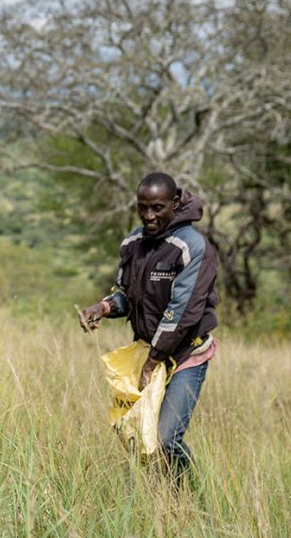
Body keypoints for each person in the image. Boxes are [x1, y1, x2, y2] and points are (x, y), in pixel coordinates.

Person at [81, 172, 218, 479]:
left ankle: (190, 498)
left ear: (175, 203)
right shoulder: (133, 243)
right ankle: (161, 501)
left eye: (157, 207)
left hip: (185, 355)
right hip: (148, 353)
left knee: (167, 439)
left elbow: (183, 313)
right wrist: (103, 307)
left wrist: (153, 360)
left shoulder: (193, 247)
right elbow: (127, 296)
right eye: (142, 207)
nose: (149, 215)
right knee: (136, 434)